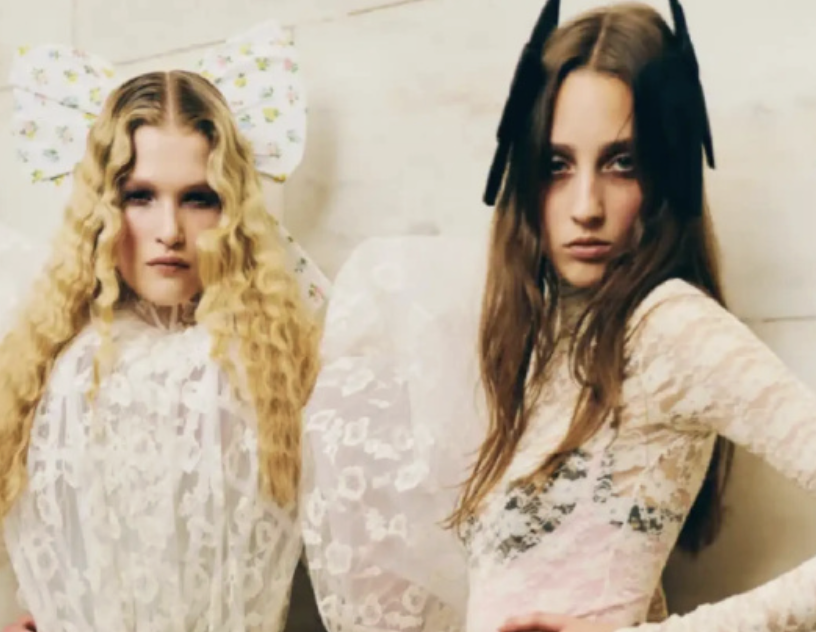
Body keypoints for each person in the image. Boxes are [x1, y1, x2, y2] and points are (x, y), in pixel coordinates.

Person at [0, 22, 332, 632]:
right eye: (139, 196)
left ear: (232, 208)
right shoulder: (33, 361)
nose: (169, 230)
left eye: (198, 198)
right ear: (102, 205)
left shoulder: (284, 357)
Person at [306, 1, 816, 631]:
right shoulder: (540, 335)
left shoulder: (670, 325)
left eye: (622, 163)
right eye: (557, 165)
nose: (585, 207)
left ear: (667, 175)